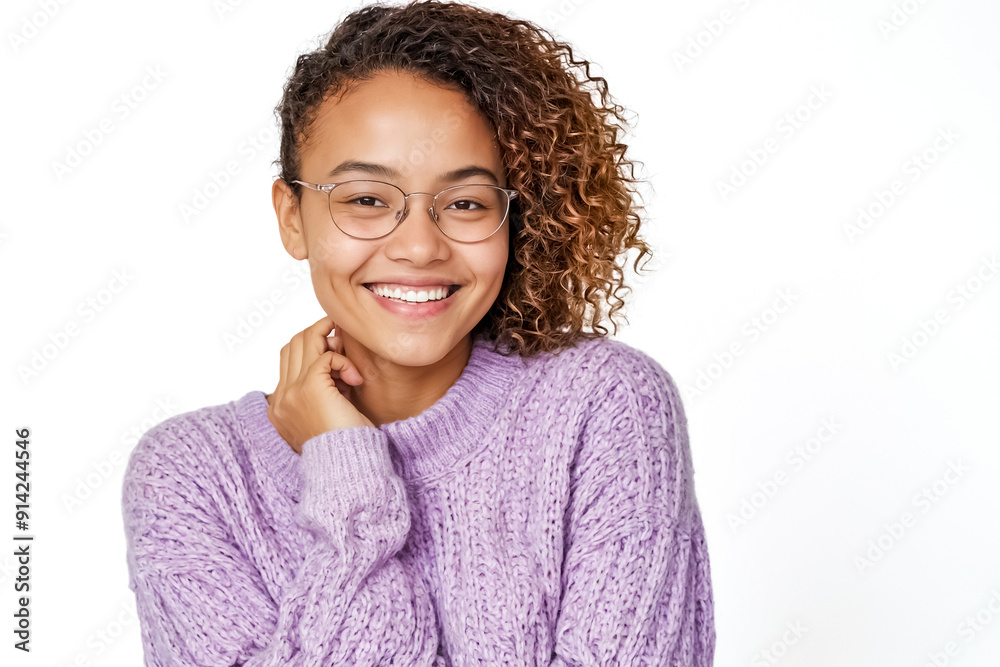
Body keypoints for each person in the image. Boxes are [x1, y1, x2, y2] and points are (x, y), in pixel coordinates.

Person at [121, 1, 716, 664]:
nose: (419, 247)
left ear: (515, 217)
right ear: (292, 216)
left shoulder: (604, 409)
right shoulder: (191, 477)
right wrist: (345, 475)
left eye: (465, 202)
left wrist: (339, 458)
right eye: (367, 199)